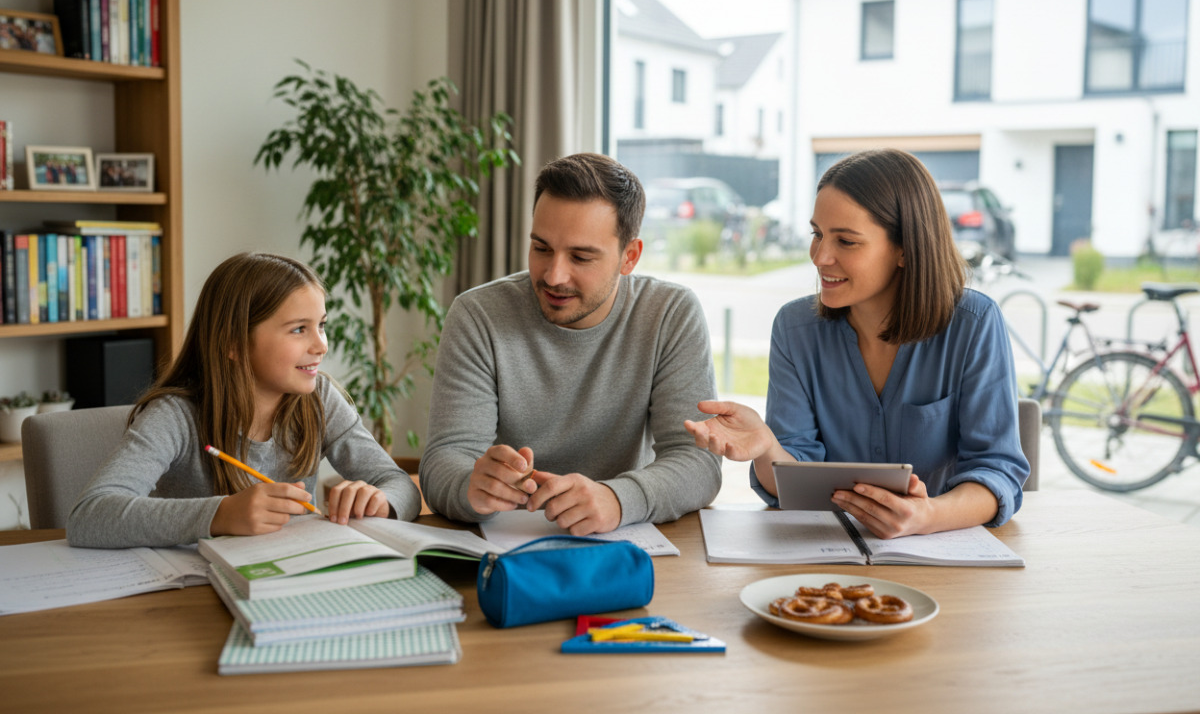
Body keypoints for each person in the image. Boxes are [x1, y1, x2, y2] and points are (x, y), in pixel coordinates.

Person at [685, 148, 1029, 538]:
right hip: (824, 556)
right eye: (817, 234)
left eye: (846, 241)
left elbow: (996, 472)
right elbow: (792, 482)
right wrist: (767, 448)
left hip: (942, 556)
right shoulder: (795, 329)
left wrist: (925, 516)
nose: (820, 256)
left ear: (904, 249)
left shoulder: (974, 324)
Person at [419, 152, 722, 535]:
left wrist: (616, 499)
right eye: (541, 248)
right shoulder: (478, 315)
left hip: (623, 537)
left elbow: (698, 463)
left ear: (629, 257)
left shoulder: (670, 314)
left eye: (580, 257)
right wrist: (470, 487)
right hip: (507, 545)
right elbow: (442, 462)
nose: (553, 275)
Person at [68, 252, 423, 548]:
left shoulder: (320, 399)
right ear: (233, 343)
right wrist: (220, 515)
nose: (322, 345)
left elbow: (400, 485)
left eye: (322, 325)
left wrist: (382, 501)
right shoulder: (176, 415)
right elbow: (89, 516)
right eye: (299, 329)